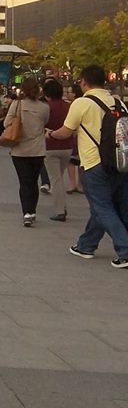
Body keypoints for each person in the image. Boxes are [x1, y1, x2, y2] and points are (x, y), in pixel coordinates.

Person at [47, 65, 128, 266]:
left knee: (102, 207)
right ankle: (86, 245)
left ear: (84, 82)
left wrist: (50, 134)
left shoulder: (82, 103)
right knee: (102, 207)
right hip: (119, 163)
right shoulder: (118, 102)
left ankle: (125, 250)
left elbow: (66, 131)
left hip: (93, 163)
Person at [4, 77, 48, 227]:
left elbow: (6, 123)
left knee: (24, 181)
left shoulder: (16, 105)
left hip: (19, 149)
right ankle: (33, 210)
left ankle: (26, 212)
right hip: (38, 149)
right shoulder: (44, 107)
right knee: (34, 181)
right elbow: (45, 123)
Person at [41, 78, 72, 221]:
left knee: (56, 180)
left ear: (47, 94)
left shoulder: (46, 107)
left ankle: (60, 210)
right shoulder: (69, 106)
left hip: (50, 146)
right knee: (59, 176)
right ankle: (61, 206)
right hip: (68, 146)